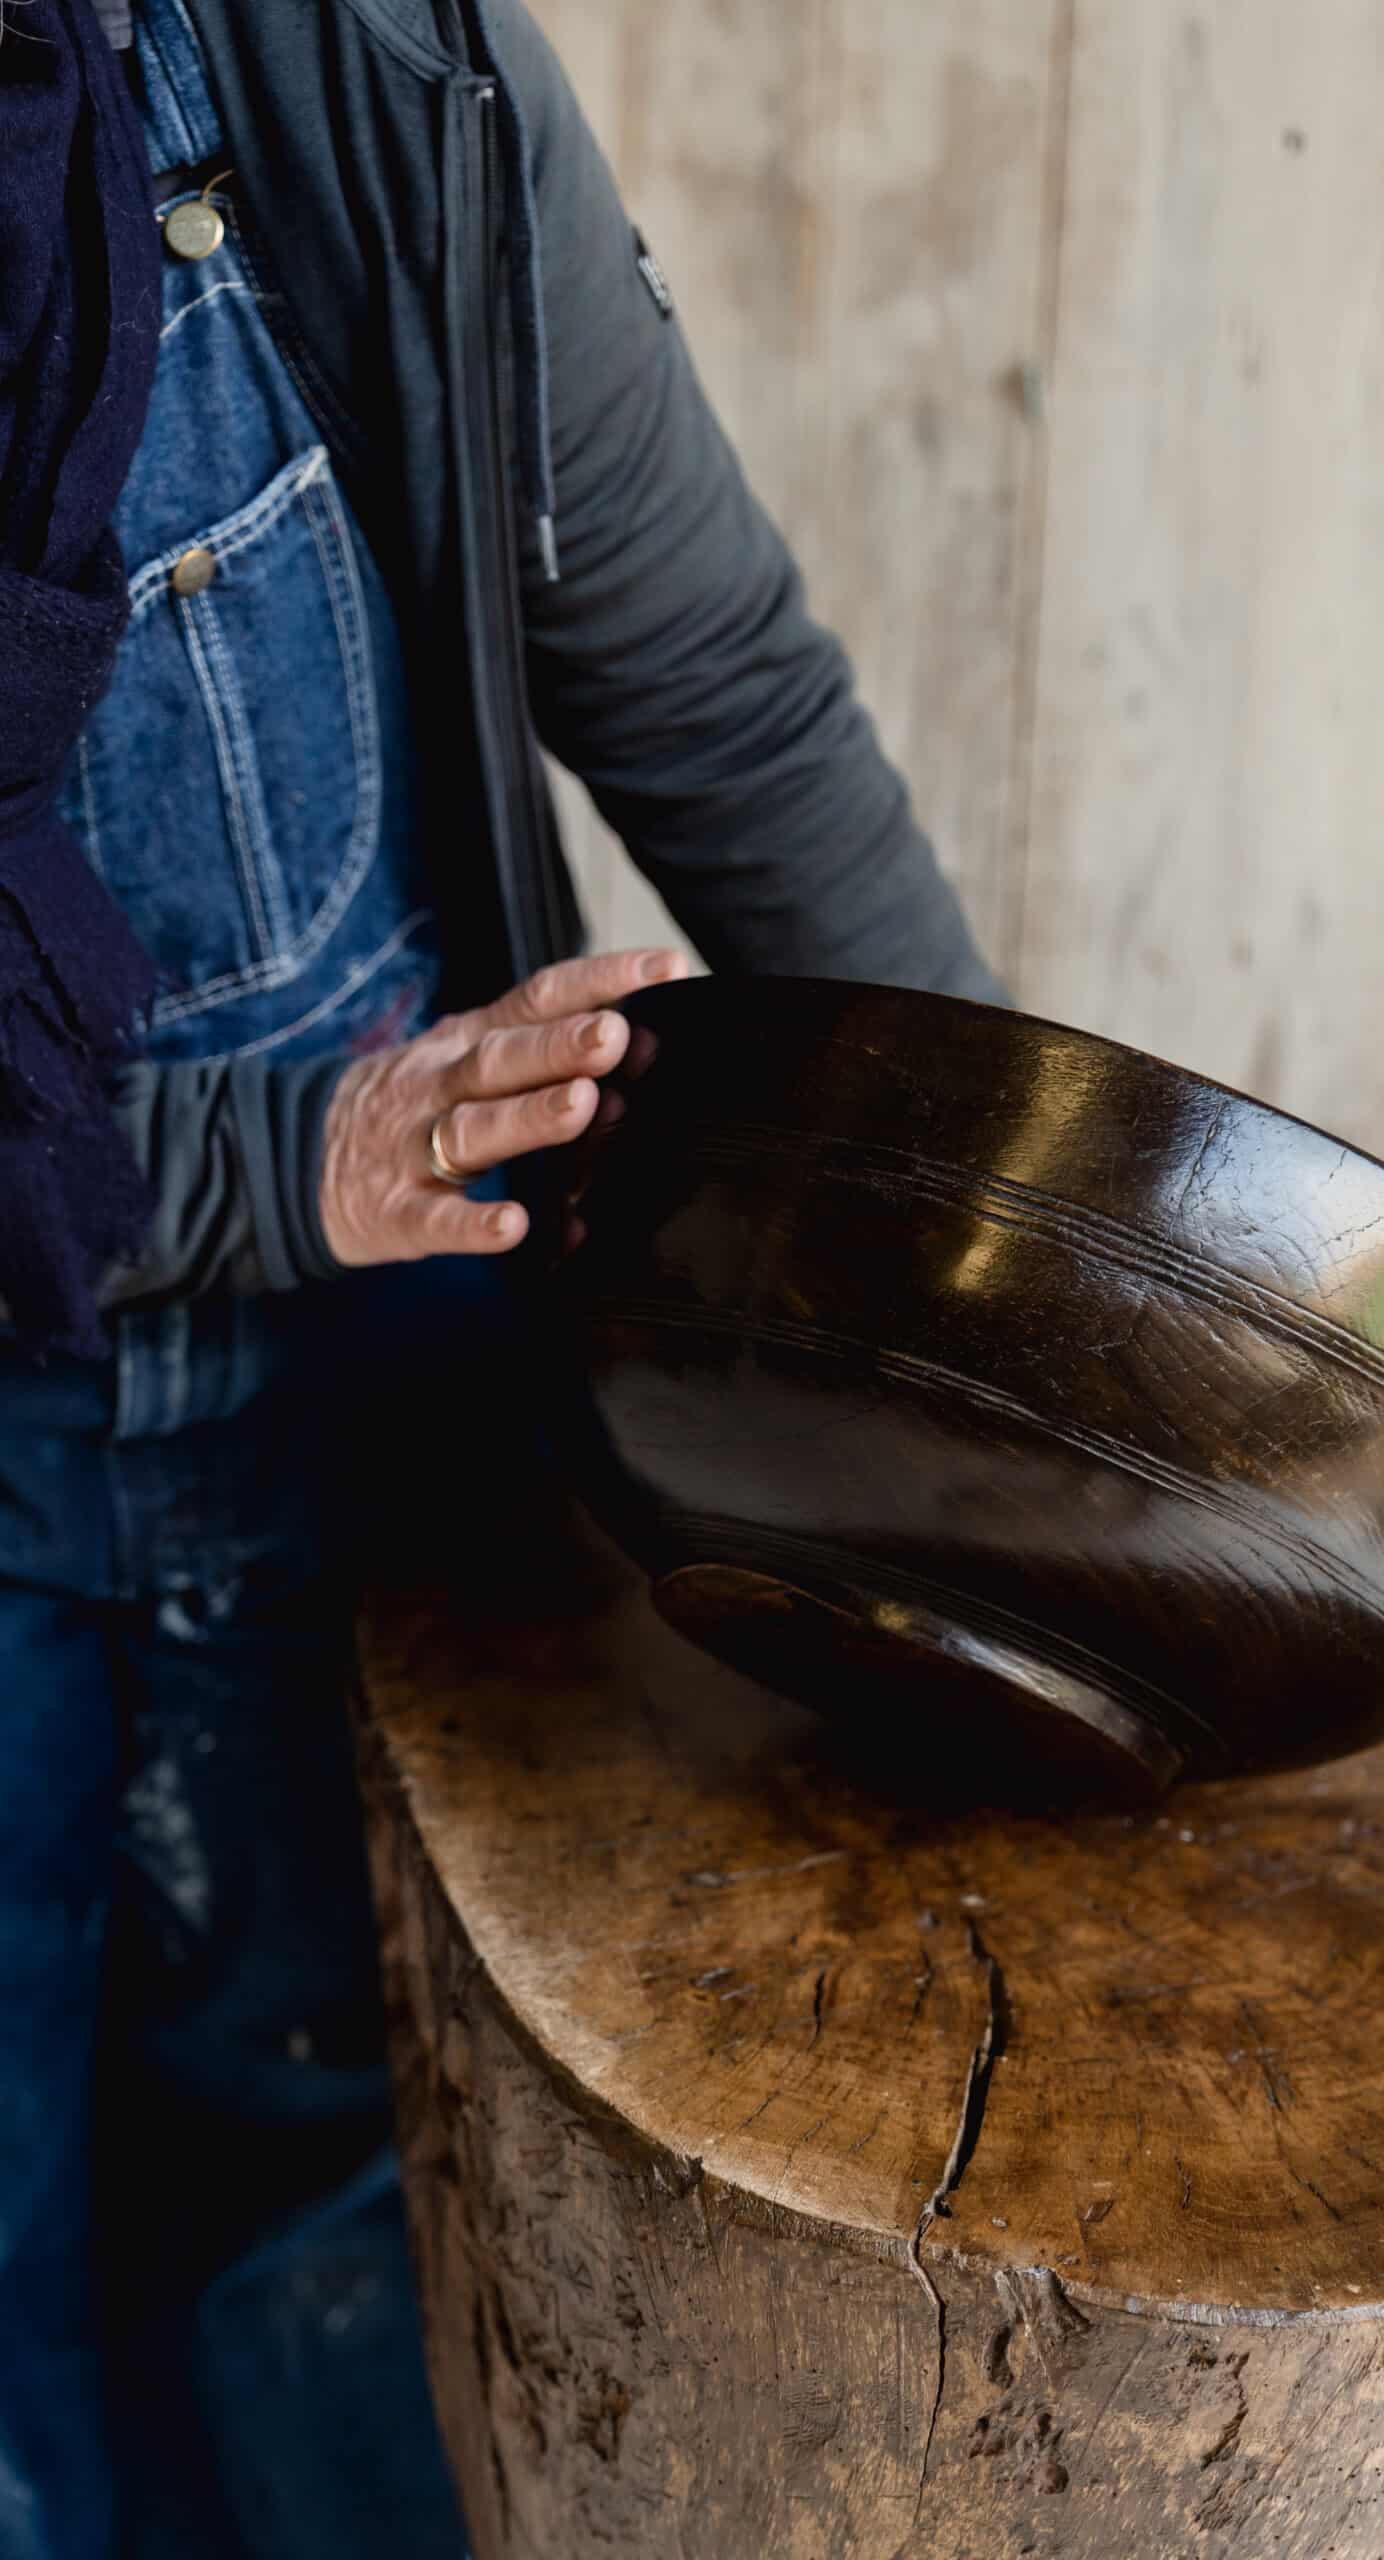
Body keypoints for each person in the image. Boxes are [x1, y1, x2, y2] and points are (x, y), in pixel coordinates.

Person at [0, 2, 1003, 2554]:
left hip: (371, 1405)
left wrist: (992, 1239)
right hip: (52, 1390)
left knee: (335, 2220)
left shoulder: (359, 61)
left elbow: (718, 699)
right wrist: (260, 1160)